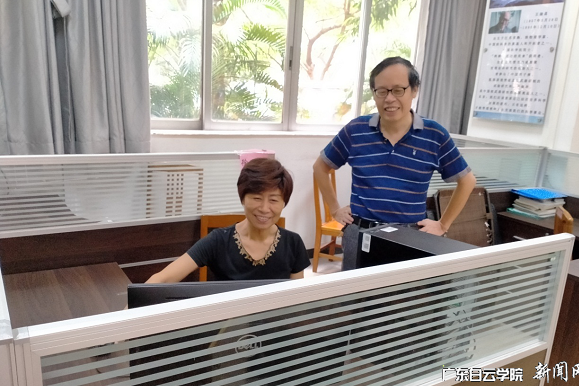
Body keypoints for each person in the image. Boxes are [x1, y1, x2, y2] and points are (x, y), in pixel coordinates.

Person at [313, 56, 476, 269]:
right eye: (382, 91)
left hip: (410, 235)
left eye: (398, 90)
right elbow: (320, 167)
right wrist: (335, 209)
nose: (389, 99)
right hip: (360, 232)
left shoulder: (434, 135)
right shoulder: (356, 130)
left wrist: (443, 224)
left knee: (404, 290)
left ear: (414, 90)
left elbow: (467, 181)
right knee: (354, 290)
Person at [147, 158, 309, 283]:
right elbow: (162, 279)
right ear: (243, 198)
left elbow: (296, 298)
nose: (265, 208)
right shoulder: (218, 241)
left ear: (284, 203)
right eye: (257, 198)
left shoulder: (293, 243)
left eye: (273, 200)